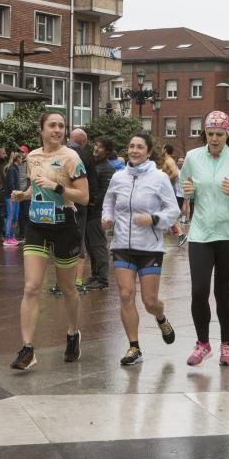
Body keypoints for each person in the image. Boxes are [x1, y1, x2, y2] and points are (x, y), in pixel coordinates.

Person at [8, 111, 89, 371]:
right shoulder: (32, 157)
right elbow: (36, 187)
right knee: (31, 287)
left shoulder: (71, 157)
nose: (57, 130)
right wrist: (23, 195)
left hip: (65, 225)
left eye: (61, 126)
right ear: (41, 129)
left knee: (67, 288)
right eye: (52, 125)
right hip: (37, 226)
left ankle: (73, 333)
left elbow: (84, 198)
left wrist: (58, 188)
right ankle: (28, 348)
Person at [179, 111, 229, 367]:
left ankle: (227, 344)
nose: (214, 139)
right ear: (205, 133)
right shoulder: (192, 157)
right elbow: (184, 187)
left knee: (223, 292)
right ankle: (203, 344)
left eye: (219, 134)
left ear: (228, 134)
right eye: (210, 134)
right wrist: (187, 192)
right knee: (199, 290)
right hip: (201, 233)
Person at [102, 132, 180, 365]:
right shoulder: (118, 177)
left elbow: (173, 211)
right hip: (122, 246)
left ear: (148, 152)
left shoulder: (159, 178)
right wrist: (107, 218)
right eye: (131, 146)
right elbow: (109, 202)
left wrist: (153, 219)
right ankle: (133, 347)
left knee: (149, 301)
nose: (134, 150)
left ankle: (161, 316)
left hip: (149, 247)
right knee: (126, 295)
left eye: (139, 147)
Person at [63, 128, 98, 294]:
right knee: (79, 240)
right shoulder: (85, 155)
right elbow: (92, 181)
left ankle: (62, 281)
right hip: (80, 203)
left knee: (61, 241)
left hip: (60, 202)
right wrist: (91, 201)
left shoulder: (59, 152)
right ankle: (76, 280)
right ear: (83, 142)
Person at [82, 136, 117, 290]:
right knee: (90, 245)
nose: (96, 148)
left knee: (98, 245)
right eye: (95, 144)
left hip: (97, 212)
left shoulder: (107, 167)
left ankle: (102, 279)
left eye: (100, 147)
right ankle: (95, 275)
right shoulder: (93, 163)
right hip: (88, 211)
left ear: (107, 151)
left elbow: (106, 191)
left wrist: (94, 202)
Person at [2, 152, 23, 247]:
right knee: (10, 217)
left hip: (16, 196)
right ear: (18, 158)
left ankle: (12, 236)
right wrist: (14, 193)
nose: (22, 159)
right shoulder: (11, 169)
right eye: (21, 158)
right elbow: (11, 183)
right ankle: (7, 238)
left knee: (15, 217)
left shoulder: (15, 168)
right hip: (11, 197)